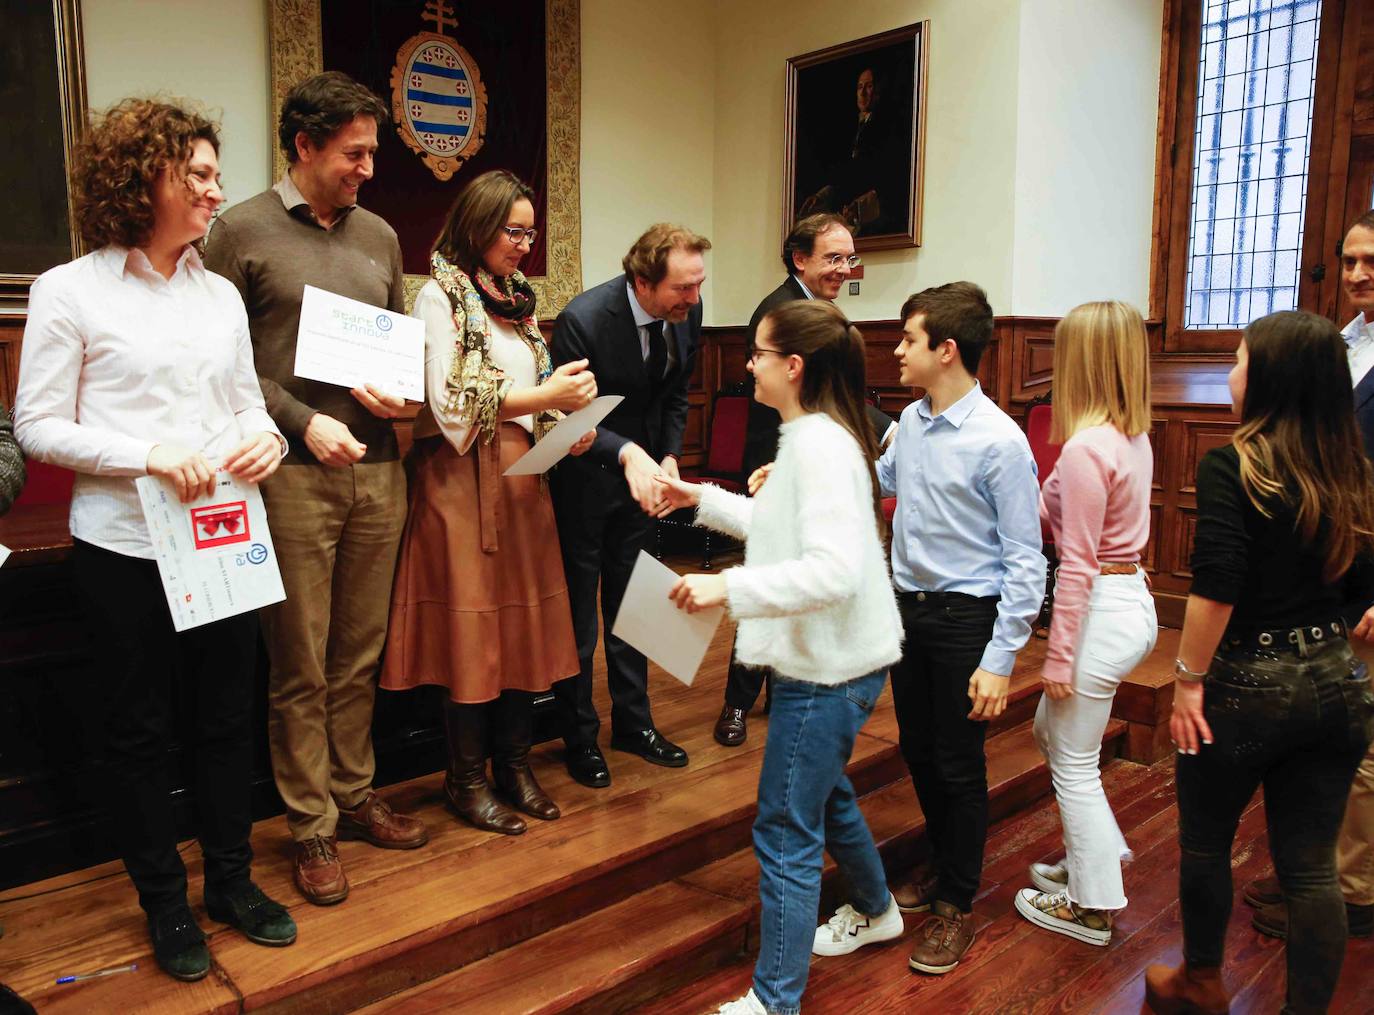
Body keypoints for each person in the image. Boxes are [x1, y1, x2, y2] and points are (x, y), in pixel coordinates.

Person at [14, 98, 296, 980]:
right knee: (138, 735)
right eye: (200, 175)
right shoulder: (70, 291)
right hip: (124, 550)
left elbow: (247, 402)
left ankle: (231, 882)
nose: (218, 191)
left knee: (224, 722)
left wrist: (270, 438)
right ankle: (165, 903)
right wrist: (148, 454)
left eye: (217, 174)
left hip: (222, 539)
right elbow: (36, 427)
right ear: (146, 181)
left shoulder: (218, 295)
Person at [204, 71, 427, 907]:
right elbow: (221, 367)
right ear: (303, 146)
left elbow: (397, 350)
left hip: (378, 469)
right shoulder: (239, 233)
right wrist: (302, 422)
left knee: (357, 653)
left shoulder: (379, 235)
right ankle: (310, 825)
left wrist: (399, 397)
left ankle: (356, 790)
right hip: (291, 477)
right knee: (299, 659)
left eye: (372, 152)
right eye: (353, 153)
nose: (368, 167)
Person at [656, 299, 904, 1015]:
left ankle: (774, 1001)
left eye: (758, 354)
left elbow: (832, 572)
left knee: (785, 826)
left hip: (827, 670)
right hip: (839, 660)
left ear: (792, 367)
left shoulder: (819, 446)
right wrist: (695, 497)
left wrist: (723, 588)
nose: (749, 363)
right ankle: (877, 906)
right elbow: (777, 527)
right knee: (824, 793)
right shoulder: (812, 435)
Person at [1145, 310, 1374, 1015]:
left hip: (1245, 684)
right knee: (1311, 870)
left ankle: (1203, 981)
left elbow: (1217, 584)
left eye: (1239, 360)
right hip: (1338, 682)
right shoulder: (1353, 470)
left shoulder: (1232, 463)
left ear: (1272, 378)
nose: (1230, 372)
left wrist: (1187, 681)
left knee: (1208, 843)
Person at [380, 170, 594, 834]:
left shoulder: (517, 300)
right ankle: (466, 780)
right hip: (461, 482)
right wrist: (547, 399)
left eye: (531, 232)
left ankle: (516, 765)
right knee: (474, 633)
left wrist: (565, 431)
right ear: (478, 224)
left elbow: (529, 391)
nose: (524, 245)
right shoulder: (438, 296)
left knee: (522, 630)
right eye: (514, 231)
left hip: (524, 479)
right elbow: (450, 405)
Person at [879, 282, 1046, 974]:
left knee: (958, 761)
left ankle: (956, 902)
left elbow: (1026, 561)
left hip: (963, 618)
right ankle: (944, 865)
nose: (896, 350)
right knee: (918, 748)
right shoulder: (910, 422)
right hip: (907, 610)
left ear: (947, 350)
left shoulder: (1000, 442)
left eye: (909, 340)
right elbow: (884, 476)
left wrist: (1001, 657)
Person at [1244, 210, 1374, 942]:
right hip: (1330, 572)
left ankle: (1352, 894)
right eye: (1348, 258)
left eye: (1371, 261)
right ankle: (1312, 873)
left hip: (1369, 585)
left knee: (1363, 751)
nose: (1357, 273)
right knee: (1326, 744)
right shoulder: (1340, 345)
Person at [1010, 302, 1156, 947]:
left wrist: (1059, 654)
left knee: (1073, 761)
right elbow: (1056, 518)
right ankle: (1095, 850)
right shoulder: (1126, 434)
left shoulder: (1087, 446)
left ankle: (1093, 904)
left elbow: (1074, 565)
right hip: (1128, 600)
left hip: (1099, 607)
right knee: (1053, 732)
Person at [548, 224, 710, 788]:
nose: (692, 301)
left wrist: (667, 457)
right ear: (642, 281)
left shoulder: (686, 309)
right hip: (584, 482)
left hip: (646, 487)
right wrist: (631, 454)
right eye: (681, 290)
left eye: (697, 287)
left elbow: (675, 394)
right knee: (580, 623)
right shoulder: (583, 321)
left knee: (634, 607)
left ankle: (633, 725)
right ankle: (579, 737)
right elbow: (573, 421)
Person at [718, 213, 862, 748]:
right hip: (774, 466)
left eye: (849, 258)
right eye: (833, 258)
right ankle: (736, 702)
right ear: (800, 258)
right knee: (767, 587)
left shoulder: (816, 309)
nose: (844, 269)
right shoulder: (781, 313)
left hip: (807, 464)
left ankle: (784, 691)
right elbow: (820, 398)